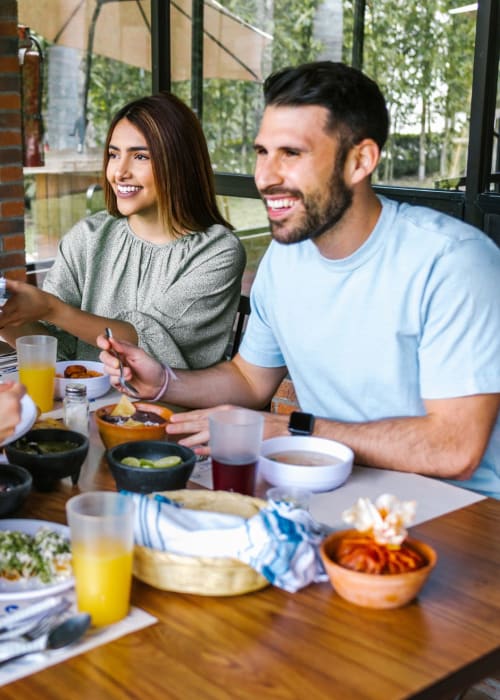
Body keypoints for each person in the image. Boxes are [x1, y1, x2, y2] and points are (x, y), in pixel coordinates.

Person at [97, 61, 500, 498]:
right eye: (262, 153)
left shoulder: (454, 262)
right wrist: (165, 383)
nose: (266, 177)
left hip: (464, 513)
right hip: (333, 487)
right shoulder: (285, 259)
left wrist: (296, 431)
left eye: (291, 154)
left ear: (360, 160)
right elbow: (250, 381)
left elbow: (455, 448)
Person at [0, 92, 246, 369]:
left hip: (172, 408)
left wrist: (50, 308)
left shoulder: (217, 252)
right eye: (113, 155)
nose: (119, 172)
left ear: (179, 163)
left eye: (140, 156)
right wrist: (7, 319)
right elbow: (56, 348)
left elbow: (151, 348)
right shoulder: (88, 237)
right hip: (90, 402)